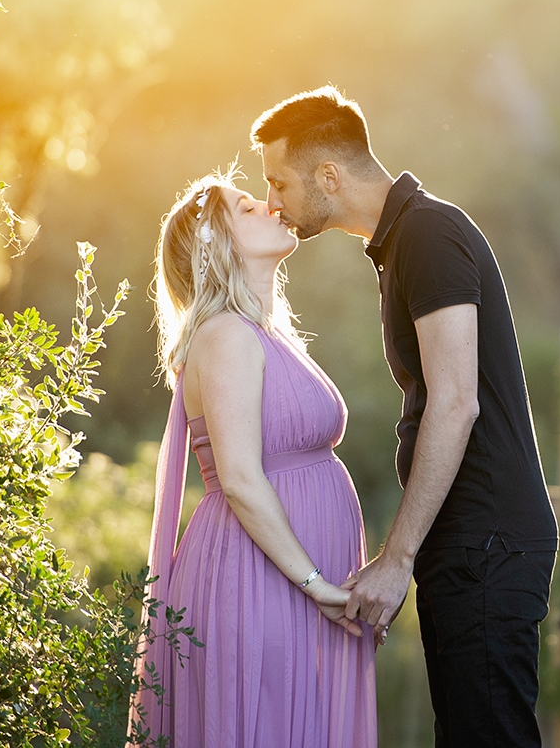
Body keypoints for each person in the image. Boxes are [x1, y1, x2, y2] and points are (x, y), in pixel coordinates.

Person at [251, 87, 559, 748]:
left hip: (488, 539)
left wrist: (396, 558)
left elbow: (455, 400)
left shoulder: (428, 233)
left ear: (327, 175)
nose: (272, 202)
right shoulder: (402, 243)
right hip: (470, 540)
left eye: (279, 183)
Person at [126, 170, 377, 748]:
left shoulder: (266, 335)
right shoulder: (224, 336)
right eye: (246, 206)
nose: (269, 205)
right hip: (257, 579)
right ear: (216, 242)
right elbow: (239, 477)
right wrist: (315, 583)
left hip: (295, 577)